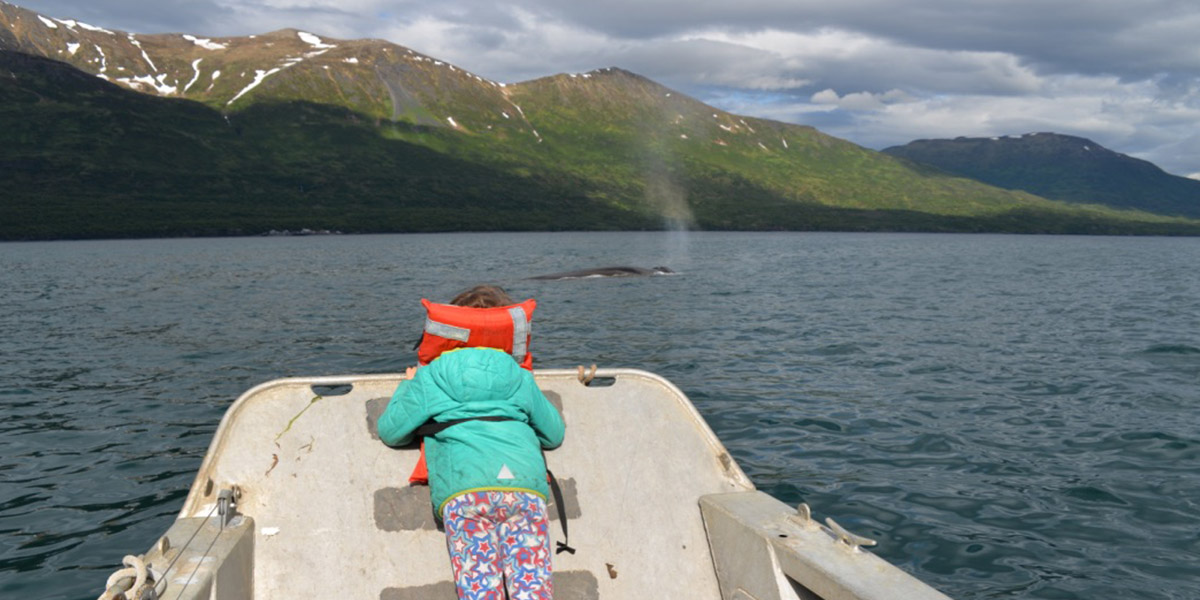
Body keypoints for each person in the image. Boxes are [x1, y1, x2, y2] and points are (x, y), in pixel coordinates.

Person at [377, 285, 565, 600]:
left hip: (466, 493)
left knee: (479, 587)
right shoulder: (519, 376)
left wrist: (406, 386)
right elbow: (554, 434)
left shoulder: (433, 375)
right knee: (532, 588)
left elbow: (392, 431)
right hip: (523, 490)